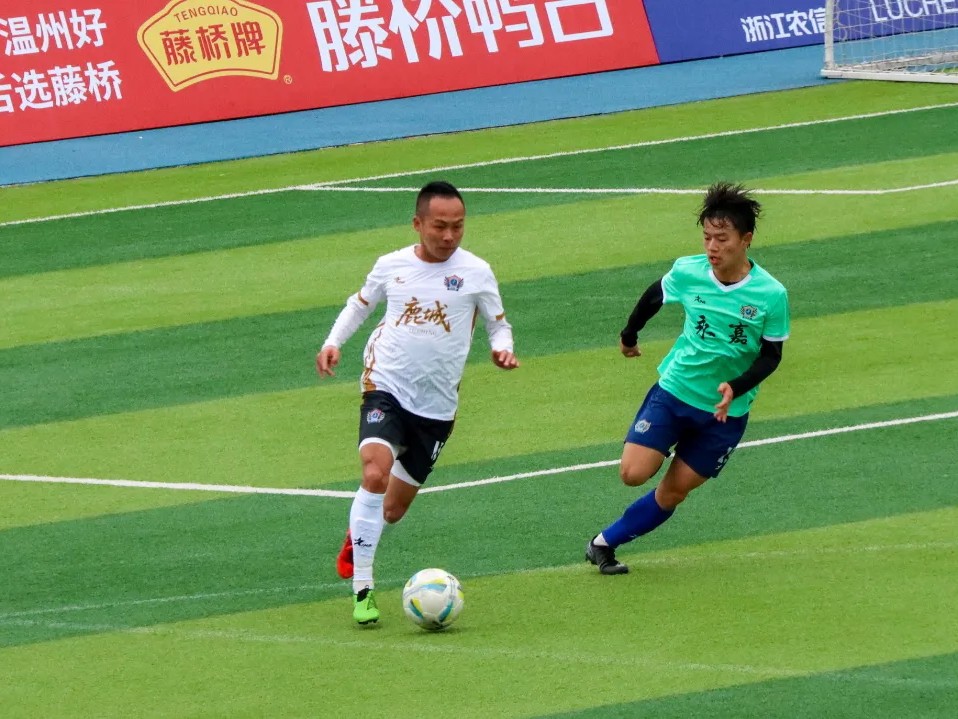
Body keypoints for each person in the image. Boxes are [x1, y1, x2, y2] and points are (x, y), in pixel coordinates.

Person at [316, 180, 519, 624]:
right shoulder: (391, 266)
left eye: (458, 226)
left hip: (437, 407)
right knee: (374, 474)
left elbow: (498, 324)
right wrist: (333, 342)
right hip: (385, 386)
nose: (449, 236)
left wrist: (502, 349)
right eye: (440, 226)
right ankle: (363, 590)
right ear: (417, 224)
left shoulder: (476, 272)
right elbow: (360, 304)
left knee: (393, 508)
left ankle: (357, 535)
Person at [585, 182, 789, 575]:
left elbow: (771, 355)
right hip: (675, 392)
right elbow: (654, 296)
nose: (712, 247)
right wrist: (630, 334)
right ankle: (660, 443)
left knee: (673, 492)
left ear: (746, 239)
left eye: (722, 239)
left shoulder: (771, 294)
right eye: (707, 237)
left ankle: (603, 544)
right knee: (632, 473)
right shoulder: (689, 271)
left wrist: (736, 386)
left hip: (726, 413)